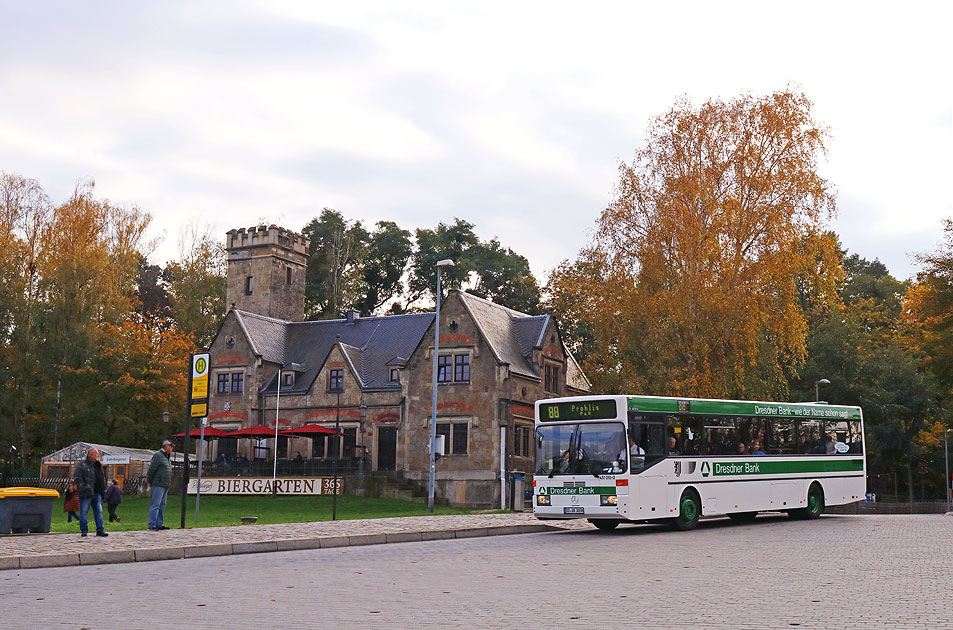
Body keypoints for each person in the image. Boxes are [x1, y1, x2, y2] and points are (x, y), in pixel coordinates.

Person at [74, 448, 107, 537]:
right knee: (84, 512)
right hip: (86, 493)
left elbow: (102, 478)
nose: (97, 456)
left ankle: (100, 529)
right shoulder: (83, 465)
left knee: (99, 511)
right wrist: (84, 488)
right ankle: (84, 530)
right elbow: (77, 477)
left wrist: (103, 490)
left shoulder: (98, 465)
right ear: (91, 455)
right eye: (96, 454)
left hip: (97, 492)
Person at [147, 439, 174, 531]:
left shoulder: (167, 457)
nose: (172, 448)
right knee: (155, 504)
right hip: (158, 483)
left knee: (162, 505)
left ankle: (159, 523)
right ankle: (152, 524)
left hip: (165, 484)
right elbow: (151, 469)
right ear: (166, 446)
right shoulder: (158, 455)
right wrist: (150, 481)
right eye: (170, 446)